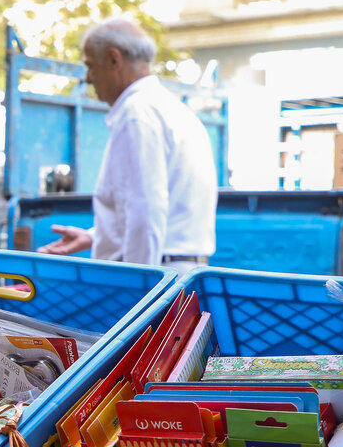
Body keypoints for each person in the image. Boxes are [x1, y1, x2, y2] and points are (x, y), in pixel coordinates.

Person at [37, 18, 218, 275]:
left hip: (159, 274)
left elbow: (146, 212)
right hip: (177, 269)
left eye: (90, 66)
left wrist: (140, 290)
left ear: (113, 59)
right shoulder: (168, 108)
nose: (88, 78)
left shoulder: (137, 113)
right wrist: (94, 236)